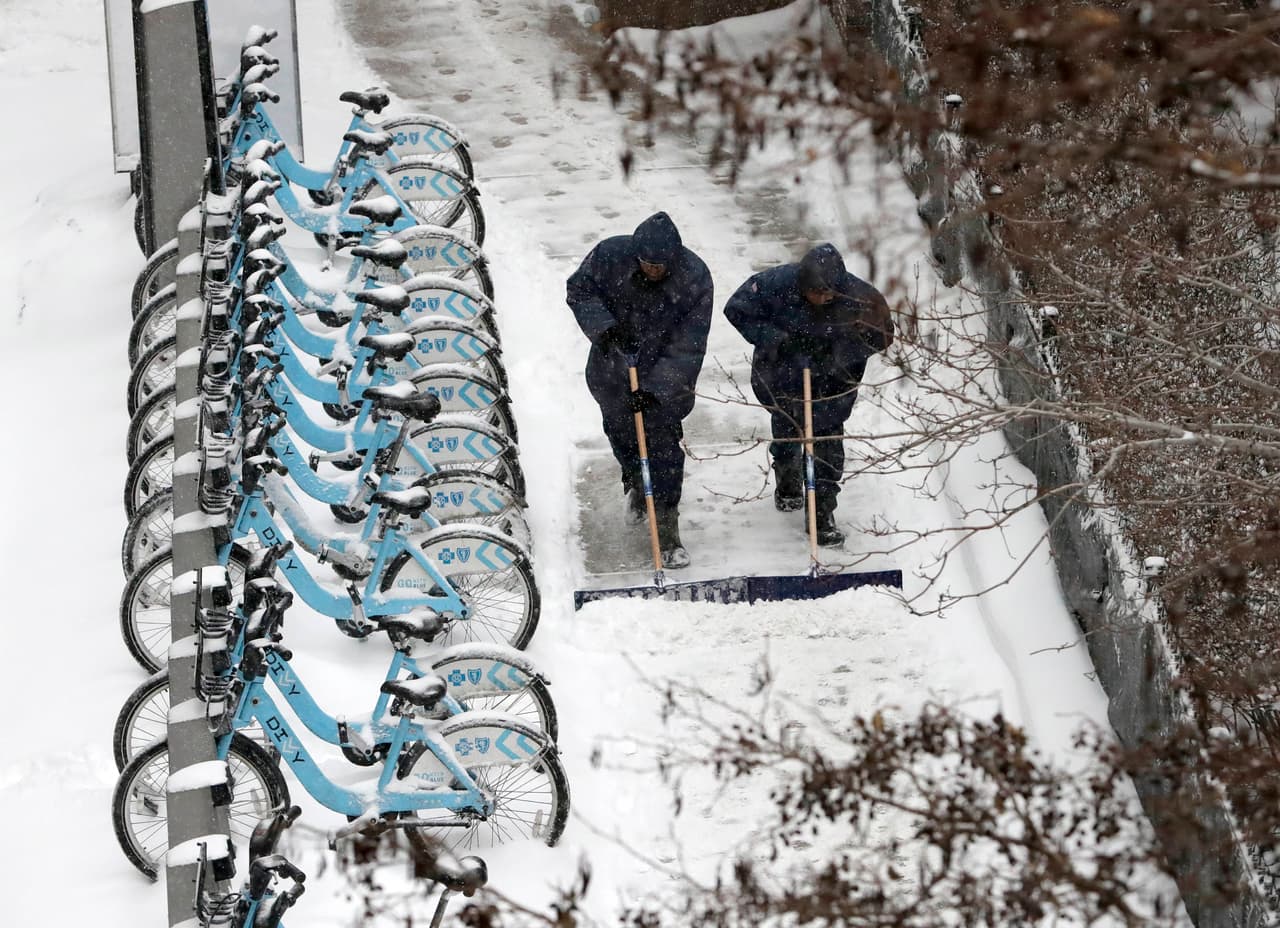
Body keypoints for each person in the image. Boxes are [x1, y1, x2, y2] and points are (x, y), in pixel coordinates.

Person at [566, 212, 713, 569]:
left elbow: (689, 344)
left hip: (665, 379)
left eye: (660, 265)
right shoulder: (609, 256)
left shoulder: (695, 278)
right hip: (612, 370)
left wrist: (658, 390)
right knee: (624, 437)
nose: (652, 271)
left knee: (663, 449)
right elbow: (579, 289)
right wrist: (607, 330)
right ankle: (635, 481)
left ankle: (667, 532)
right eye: (646, 263)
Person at [724, 243, 893, 547]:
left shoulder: (860, 297)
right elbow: (737, 310)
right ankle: (788, 483)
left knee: (827, 443)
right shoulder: (776, 284)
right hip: (782, 376)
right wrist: (779, 341)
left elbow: (883, 334)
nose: (822, 299)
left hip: (833, 384)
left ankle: (821, 514)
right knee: (789, 430)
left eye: (828, 293)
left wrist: (833, 353)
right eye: (815, 292)